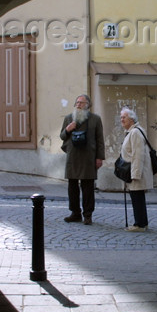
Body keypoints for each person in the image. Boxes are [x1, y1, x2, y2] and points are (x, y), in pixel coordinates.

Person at [59, 94, 105, 225]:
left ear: (87, 105)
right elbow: (62, 136)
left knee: (88, 188)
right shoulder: (68, 118)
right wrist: (68, 130)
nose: (78, 105)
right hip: (73, 156)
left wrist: (100, 157)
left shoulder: (95, 119)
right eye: (77, 103)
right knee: (72, 187)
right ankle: (75, 213)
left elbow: (99, 140)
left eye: (81, 103)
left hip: (88, 157)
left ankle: (88, 214)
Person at [119, 107, 153, 232]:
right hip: (134, 171)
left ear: (132, 119)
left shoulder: (135, 133)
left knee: (137, 198)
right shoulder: (132, 131)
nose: (122, 120)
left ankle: (139, 224)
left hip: (136, 172)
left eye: (124, 117)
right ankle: (142, 222)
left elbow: (138, 155)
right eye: (121, 117)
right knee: (137, 198)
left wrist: (135, 174)